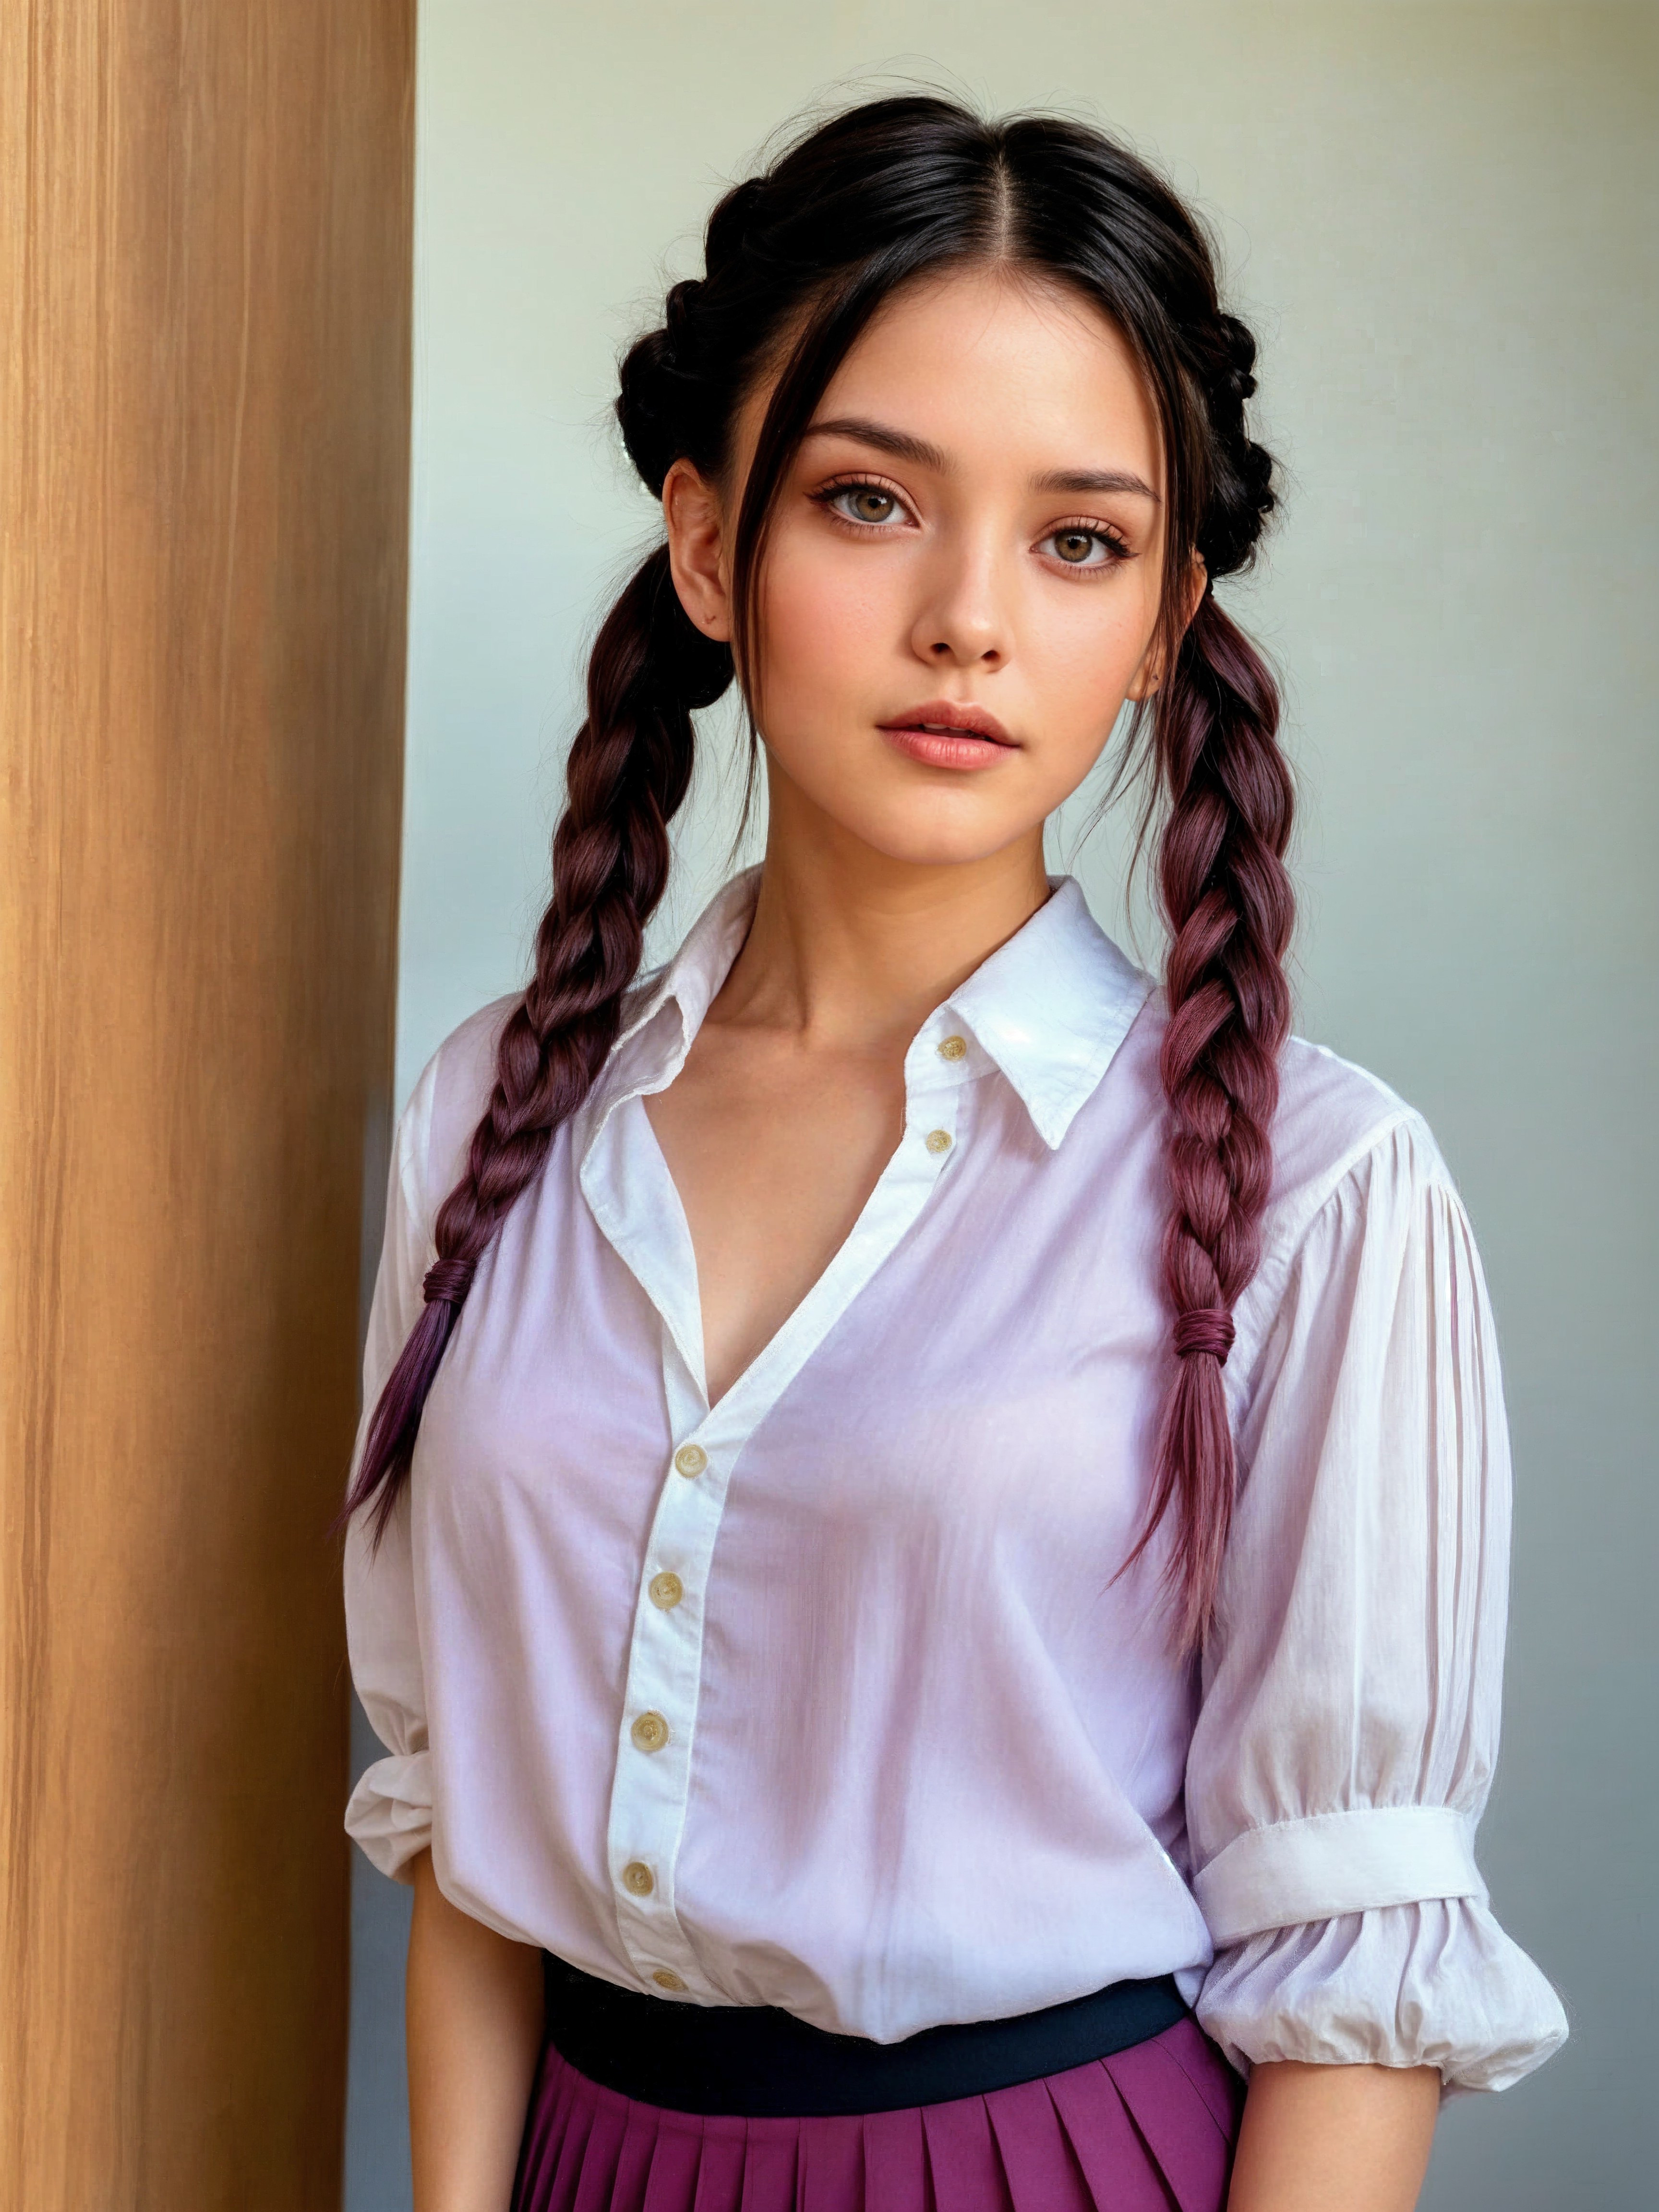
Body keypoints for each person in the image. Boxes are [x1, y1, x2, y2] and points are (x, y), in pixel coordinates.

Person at [342, 95, 1566, 2212]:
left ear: (1167, 613)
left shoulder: (1321, 1191)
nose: (973, 620)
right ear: (711, 544)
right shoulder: (495, 1120)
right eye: (871, 501)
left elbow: (1352, 1965)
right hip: (585, 2161)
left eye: (1077, 539)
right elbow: (473, 1816)